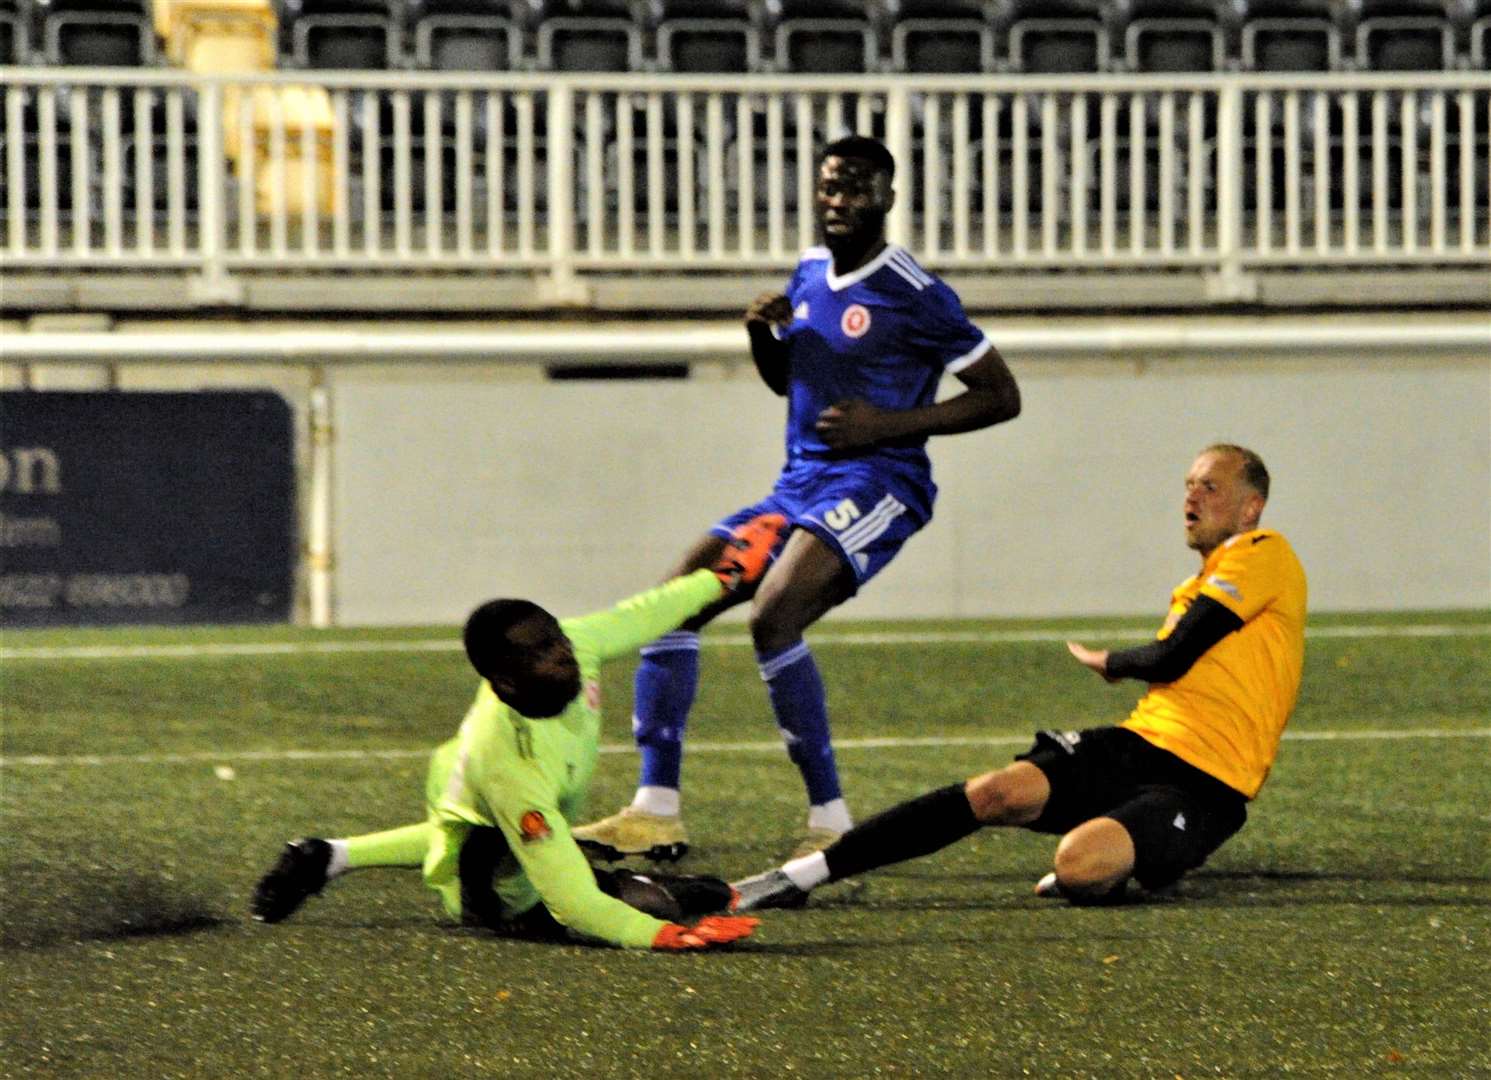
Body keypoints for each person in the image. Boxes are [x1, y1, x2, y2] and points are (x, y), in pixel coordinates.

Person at [573, 134, 1022, 864]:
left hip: (881, 481)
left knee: (773, 612)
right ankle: (654, 811)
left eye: (855, 188)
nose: (838, 201)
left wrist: (891, 424)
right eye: (828, 188)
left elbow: (1001, 397)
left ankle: (831, 819)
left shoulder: (915, 293)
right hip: (799, 484)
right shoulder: (809, 271)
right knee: (673, 602)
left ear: (887, 197)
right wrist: (761, 334)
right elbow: (790, 382)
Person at [731, 444, 1307, 909]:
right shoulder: (1199, 581)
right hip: (1140, 745)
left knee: (1080, 866)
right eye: (1188, 484)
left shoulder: (1264, 551)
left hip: (1207, 785)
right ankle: (802, 875)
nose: (1192, 496)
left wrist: (1111, 662)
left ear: (1250, 507)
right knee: (995, 791)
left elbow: (1171, 657)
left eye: (1210, 486)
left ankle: (1124, 859)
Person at [250, 513, 786, 950]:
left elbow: (645, 612)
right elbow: (569, 901)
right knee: (643, 903)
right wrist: (662, 934)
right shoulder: (506, 762)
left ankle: (326, 856)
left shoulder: (577, 647)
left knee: (495, 836)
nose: (565, 655)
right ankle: (492, 899)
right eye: (543, 652)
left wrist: (721, 577)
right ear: (505, 681)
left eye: (557, 637)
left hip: (474, 809)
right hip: (481, 868)